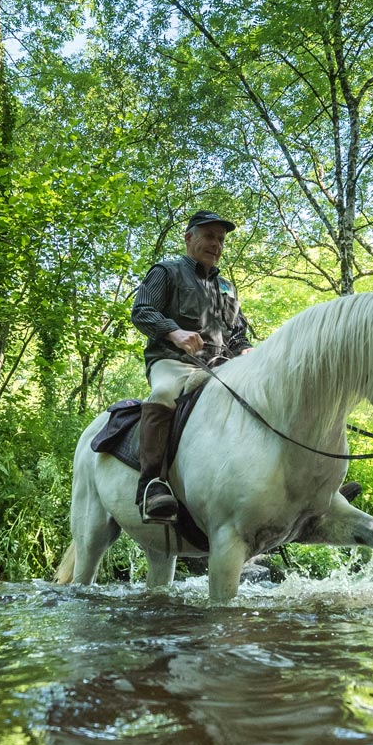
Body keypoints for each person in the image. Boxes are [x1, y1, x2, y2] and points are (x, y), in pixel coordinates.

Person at [129, 210, 253, 521]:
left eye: (221, 240)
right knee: (163, 393)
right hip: (173, 361)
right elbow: (142, 311)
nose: (216, 245)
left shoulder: (226, 287)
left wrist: (247, 350)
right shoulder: (167, 272)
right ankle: (151, 486)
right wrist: (174, 332)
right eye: (209, 236)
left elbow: (238, 333)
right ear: (189, 238)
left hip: (219, 367)